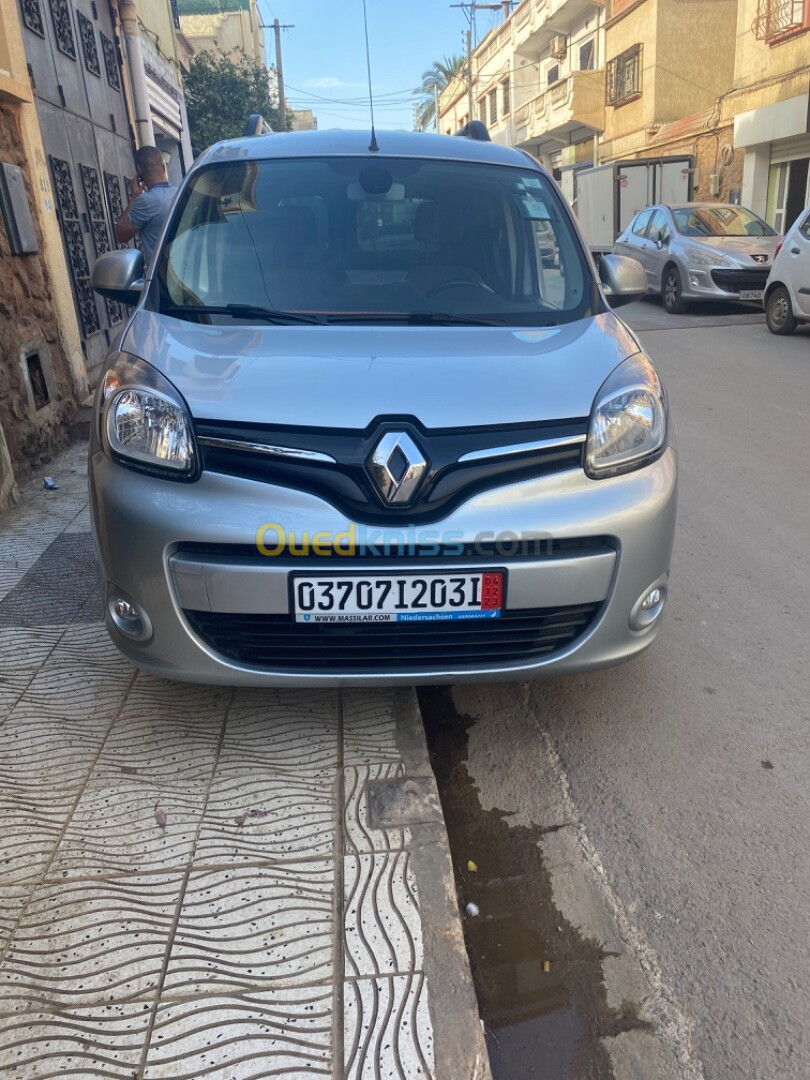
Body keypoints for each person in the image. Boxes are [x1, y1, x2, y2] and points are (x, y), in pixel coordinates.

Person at [115, 146, 177, 262]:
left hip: (161, 276)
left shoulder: (145, 202)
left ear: (139, 171)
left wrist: (134, 197)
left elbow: (121, 235)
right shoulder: (180, 193)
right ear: (164, 167)